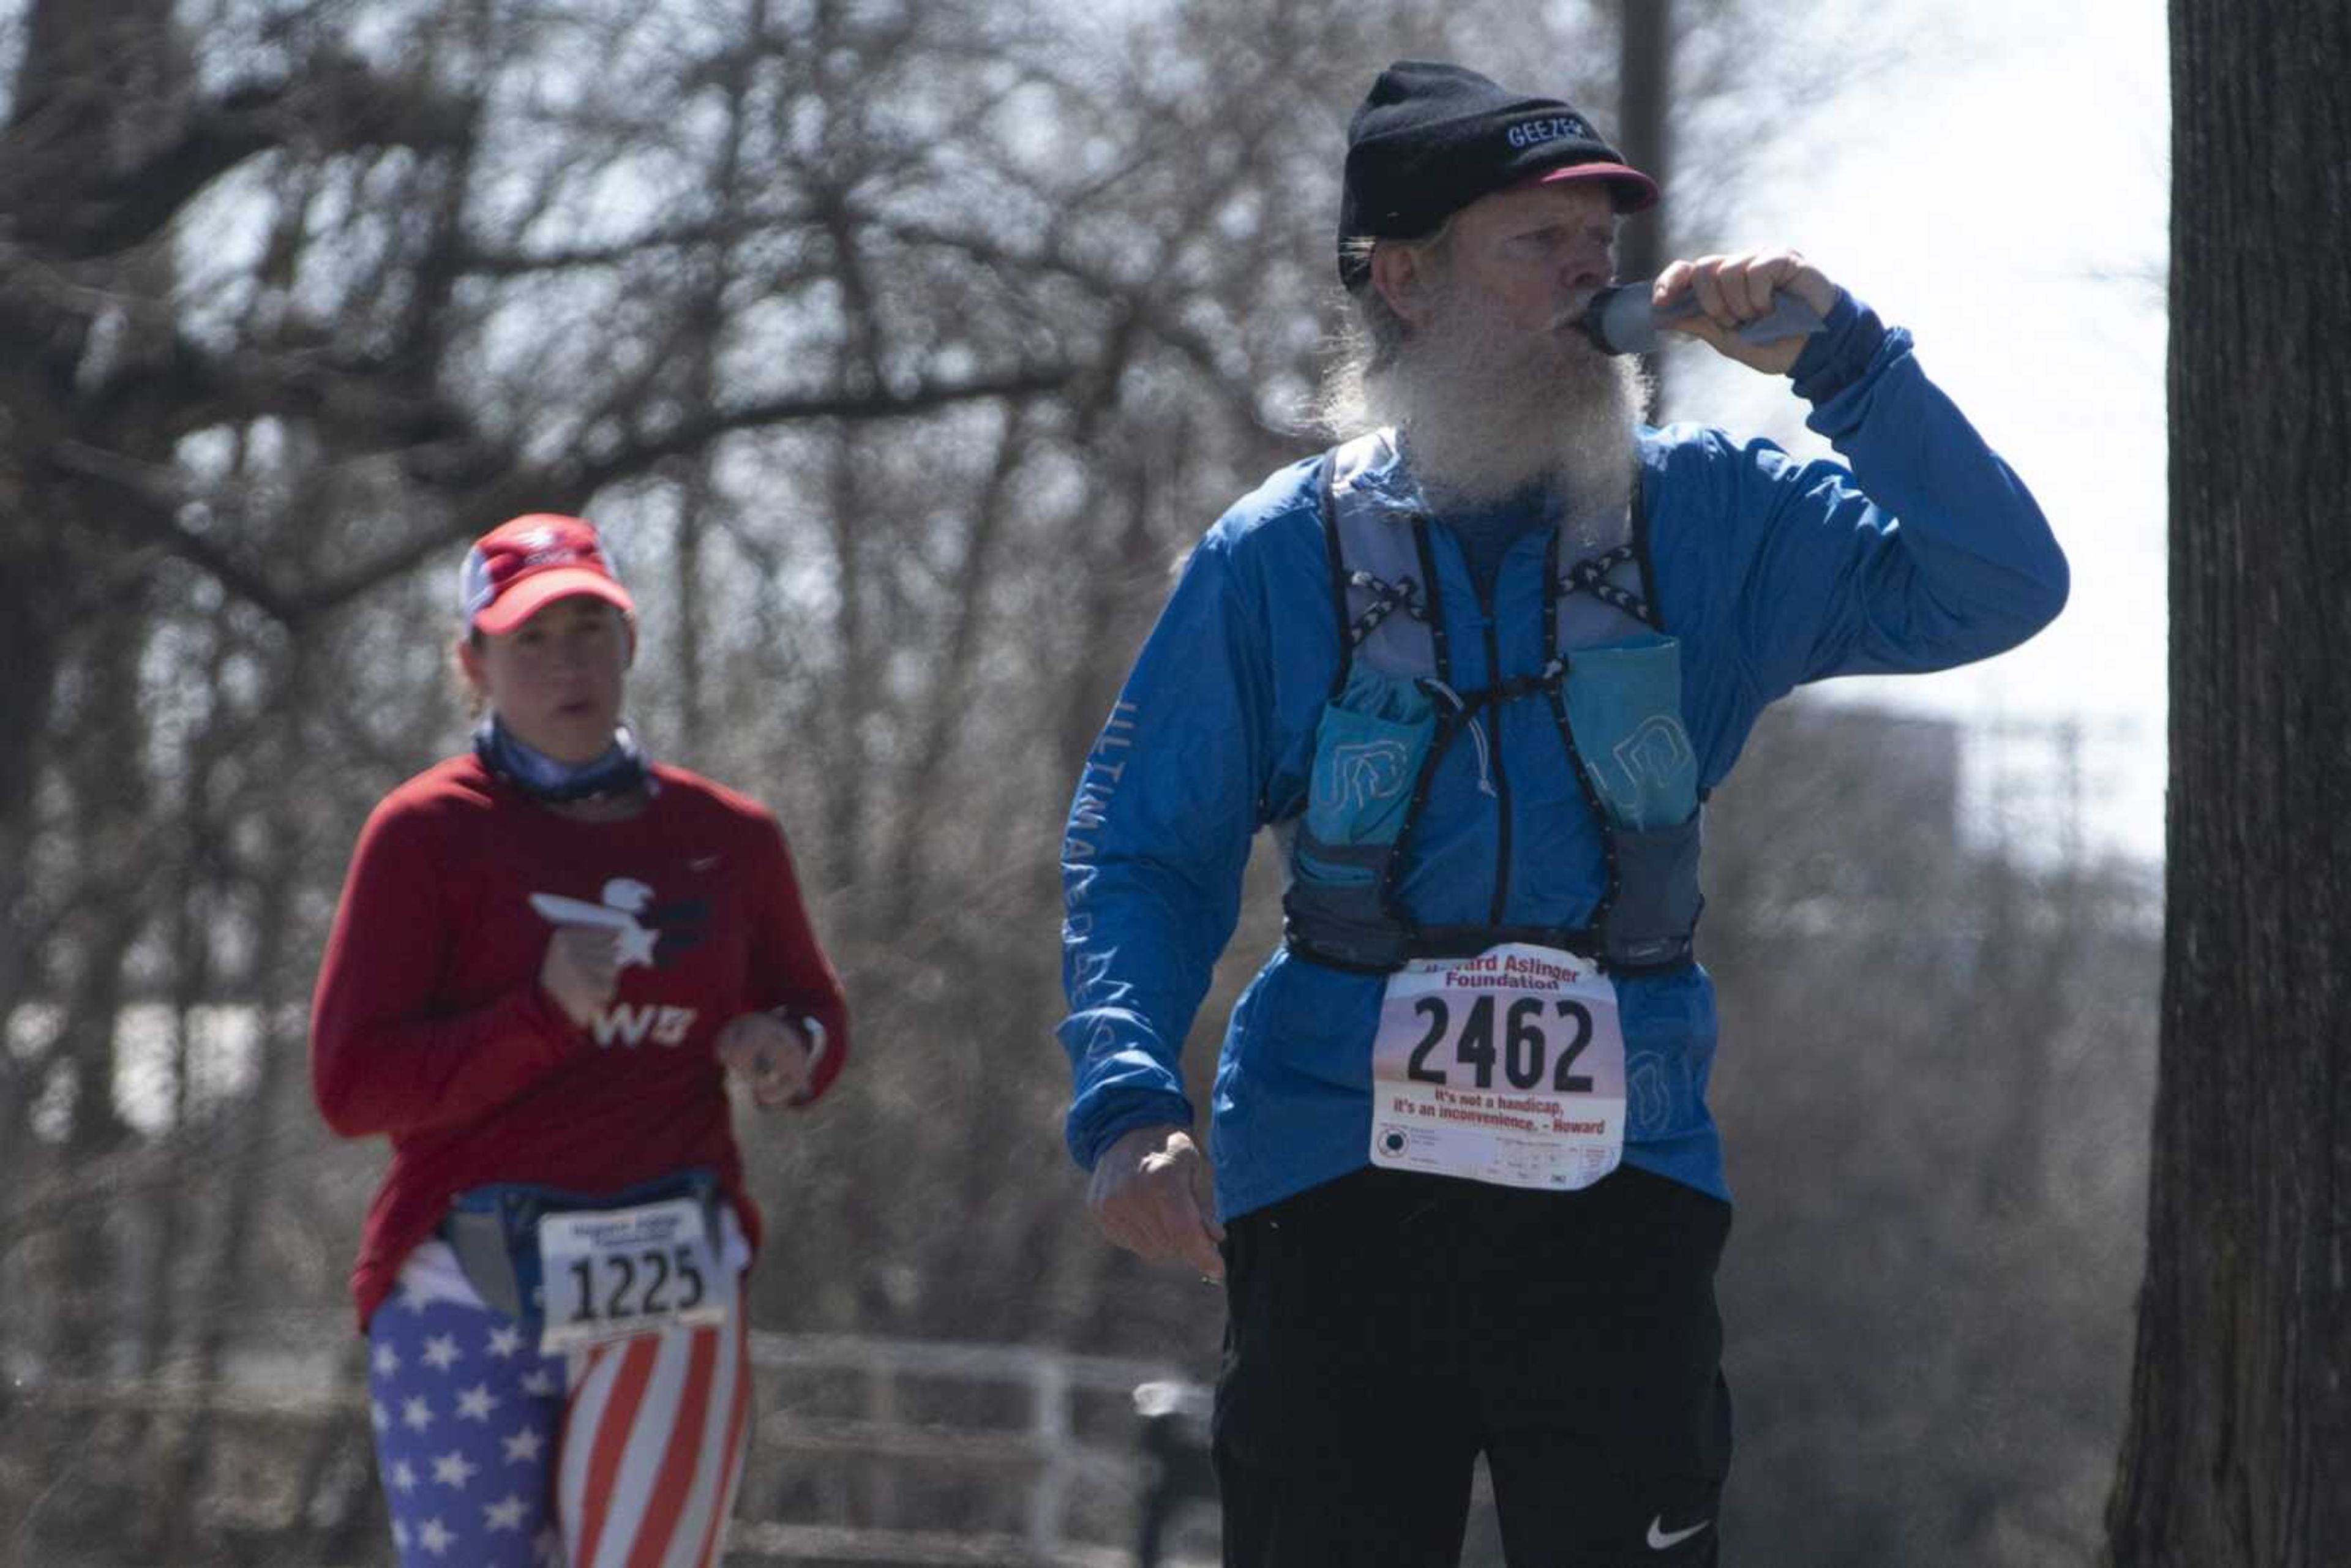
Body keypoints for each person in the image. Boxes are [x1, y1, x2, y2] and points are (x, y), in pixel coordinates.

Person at [1056, 59, 2068, 1568]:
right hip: (1337, 1179)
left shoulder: (1717, 514)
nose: (1599, 275)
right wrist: (1130, 1104)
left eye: (1604, 246)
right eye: (1541, 243)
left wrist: (1850, 363)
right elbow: (1144, 850)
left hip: (1623, 1179)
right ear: (1403, 277)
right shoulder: (1276, 555)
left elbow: (2000, 582)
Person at [310, 512, 850, 1568]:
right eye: (532, 641)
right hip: (464, 1284)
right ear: (473, 663)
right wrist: (540, 1016)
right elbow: (350, 1089)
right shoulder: (425, 833)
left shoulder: (727, 837)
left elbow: (818, 1012)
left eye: (591, 630)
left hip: (668, 1270)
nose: (570, 666)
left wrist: (790, 1048)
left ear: (631, 644)